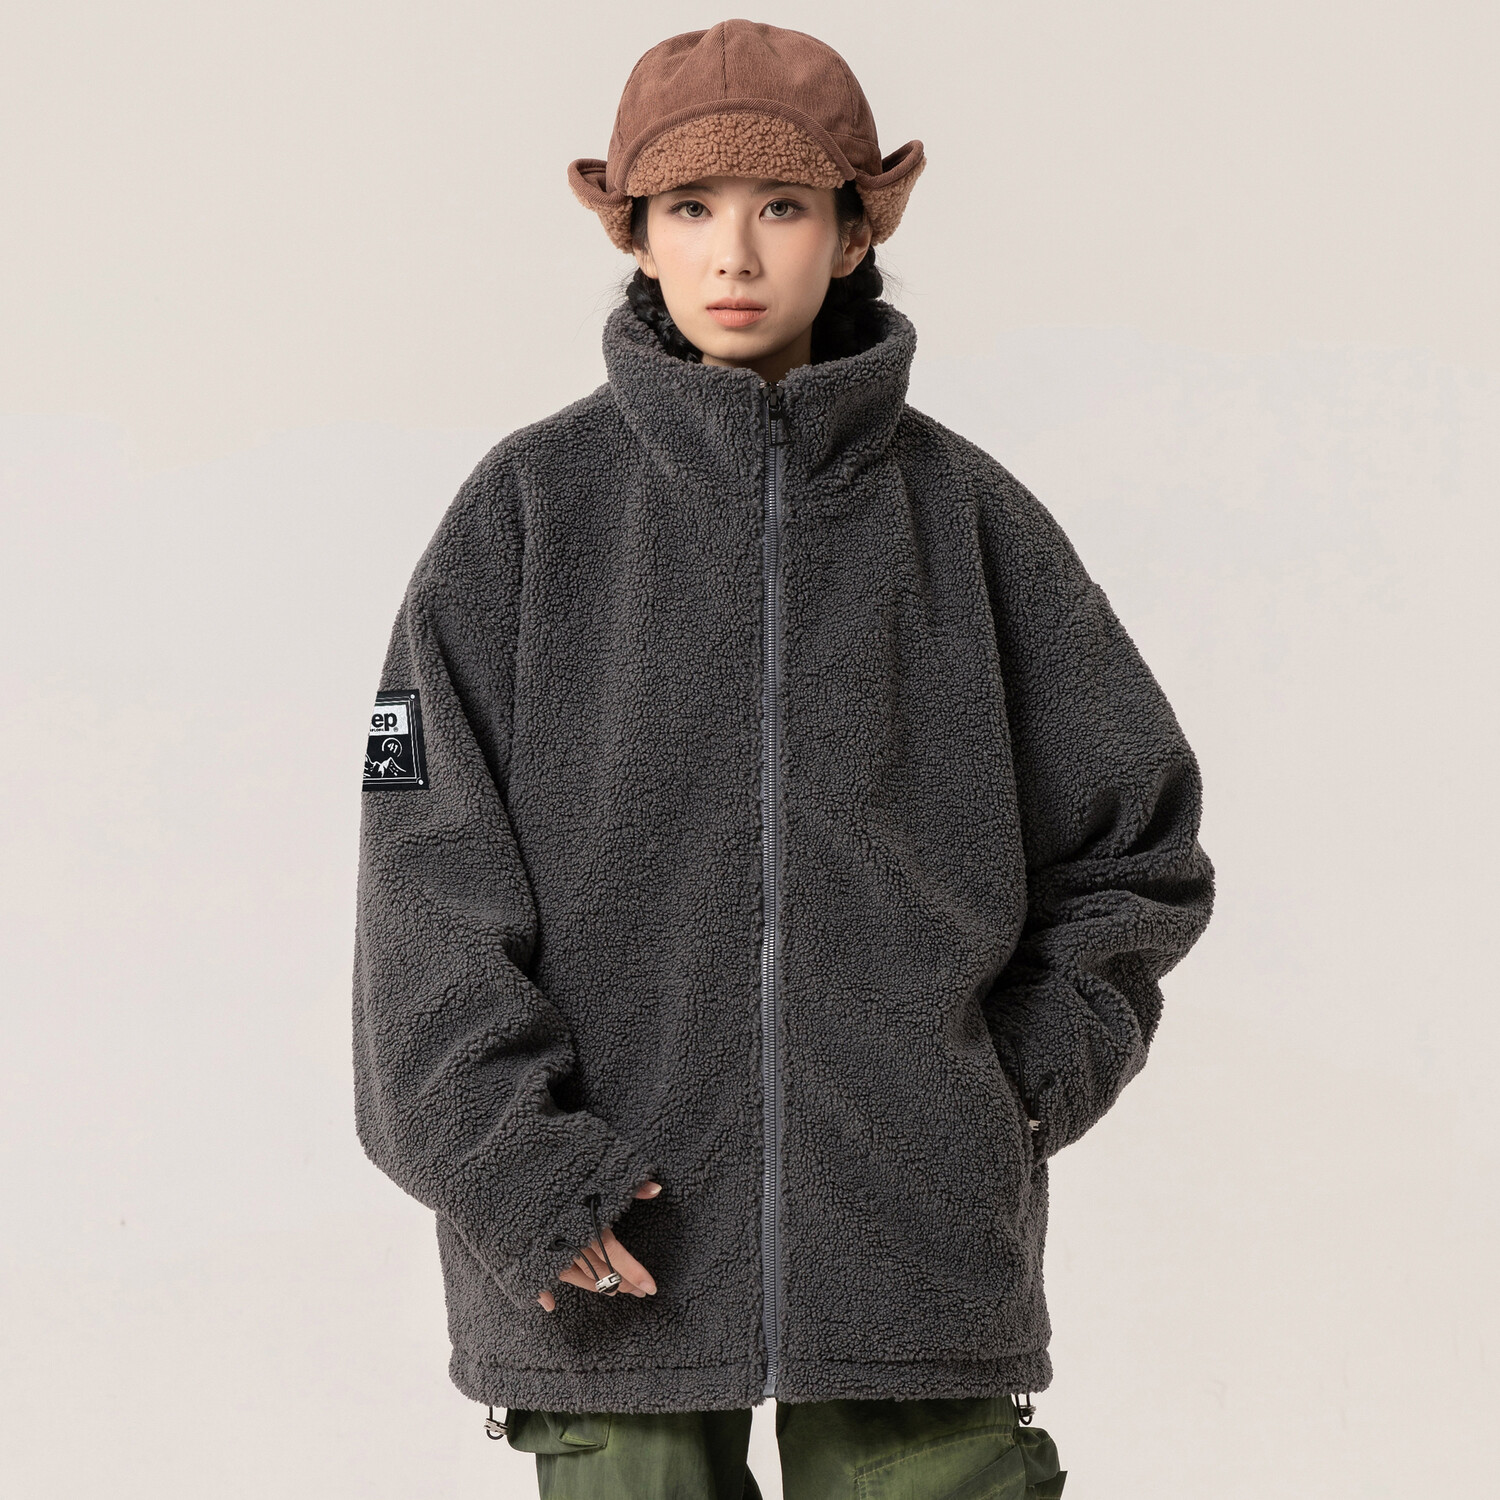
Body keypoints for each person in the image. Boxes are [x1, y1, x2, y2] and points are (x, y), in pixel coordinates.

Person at [351, 19, 1215, 1500]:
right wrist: (514, 1167)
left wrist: (1005, 1096)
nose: (735, 254)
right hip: (604, 1242)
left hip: (910, 1250)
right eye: (691, 208)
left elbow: (1138, 842)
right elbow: (419, 891)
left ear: (855, 230)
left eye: (783, 206)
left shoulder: (971, 520)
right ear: (635, 233)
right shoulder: (524, 518)